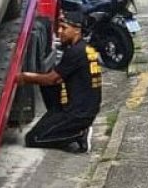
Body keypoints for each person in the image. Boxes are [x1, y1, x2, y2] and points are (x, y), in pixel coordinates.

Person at [18, 11, 101, 152]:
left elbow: (51, 79)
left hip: (77, 114)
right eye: (59, 28)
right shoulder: (86, 48)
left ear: (77, 30)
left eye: (64, 28)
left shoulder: (75, 52)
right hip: (85, 109)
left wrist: (23, 77)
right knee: (49, 82)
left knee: (33, 139)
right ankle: (58, 119)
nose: (59, 32)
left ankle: (79, 134)